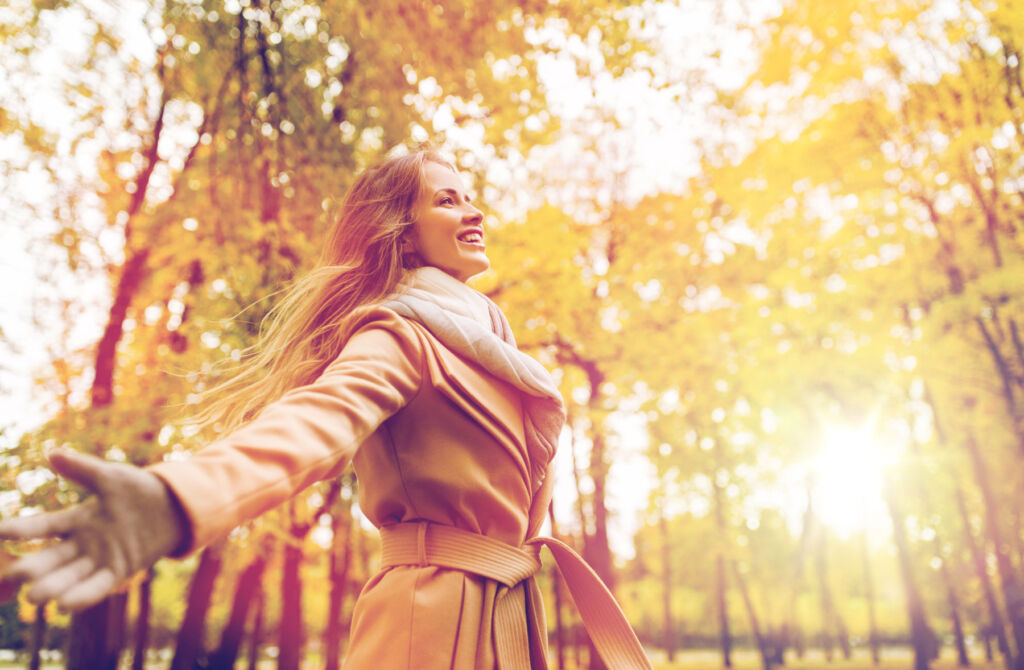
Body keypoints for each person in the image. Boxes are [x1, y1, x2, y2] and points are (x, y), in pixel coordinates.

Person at [0, 150, 652, 670]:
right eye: (447, 200)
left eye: (471, 196)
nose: (473, 211)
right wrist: (175, 500)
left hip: (507, 617)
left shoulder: (490, 348)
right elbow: (314, 423)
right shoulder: (398, 334)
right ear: (402, 234)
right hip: (431, 623)